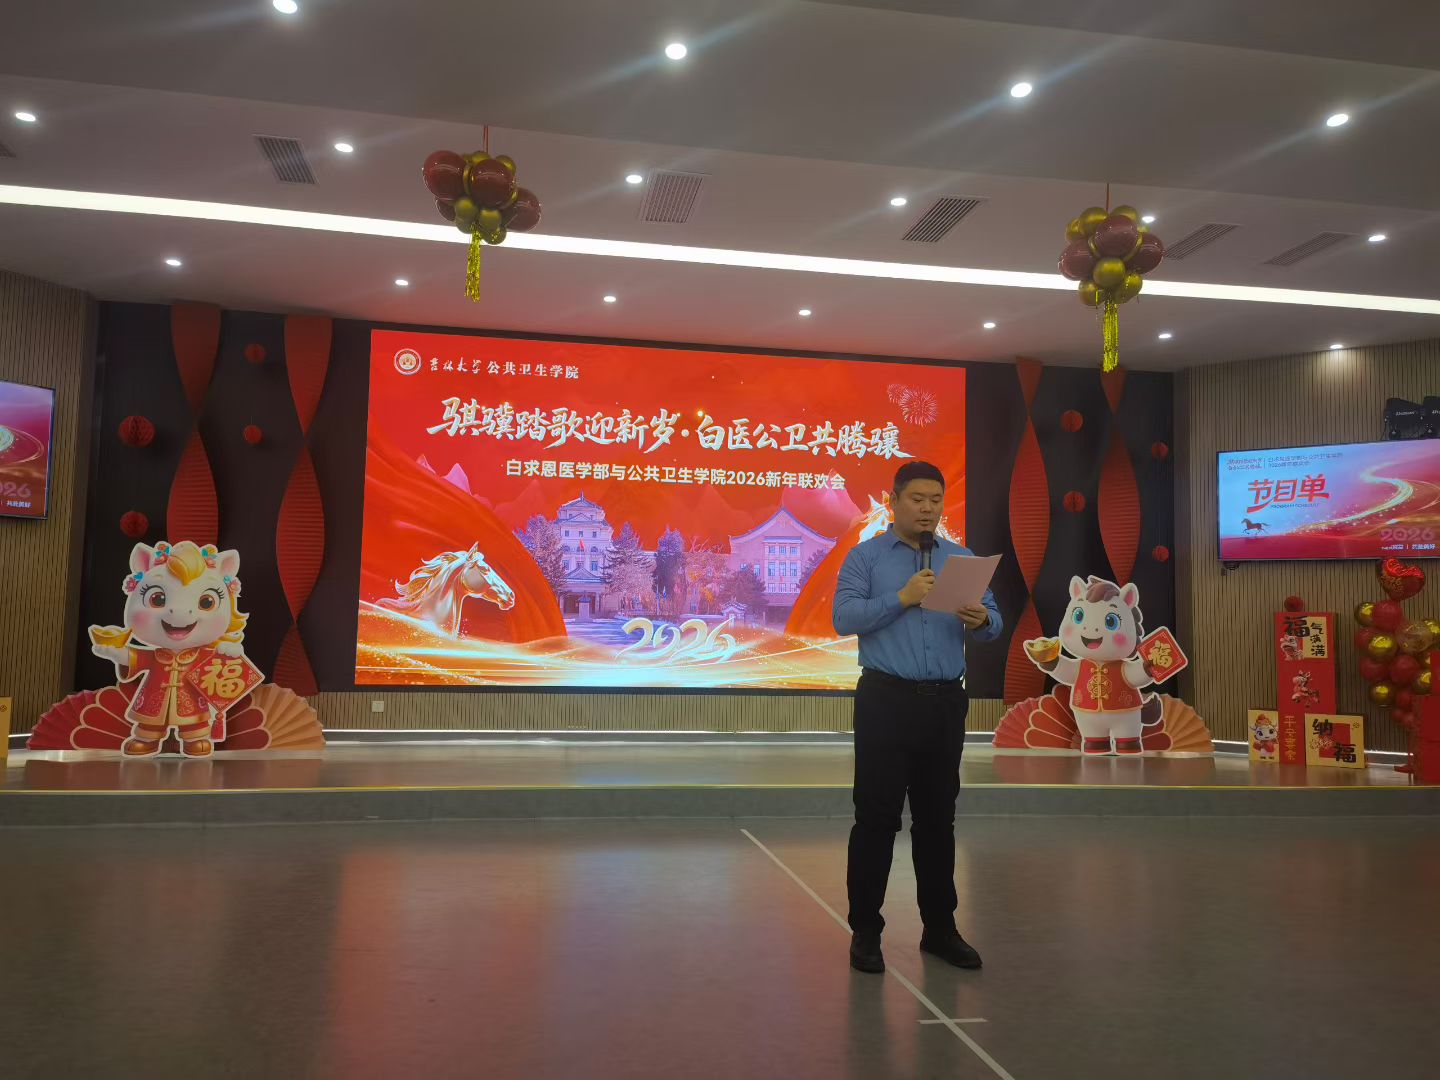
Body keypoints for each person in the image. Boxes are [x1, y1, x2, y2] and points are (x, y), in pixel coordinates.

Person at [832, 460, 1002, 974]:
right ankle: (866, 932)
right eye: (917, 499)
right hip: (885, 700)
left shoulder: (961, 559)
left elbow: (994, 622)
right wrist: (901, 598)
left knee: (937, 820)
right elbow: (843, 617)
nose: (928, 509)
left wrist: (982, 619)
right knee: (876, 819)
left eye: (935, 500)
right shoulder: (865, 557)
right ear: (894, 502)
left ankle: (940, 929)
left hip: (944, 703)